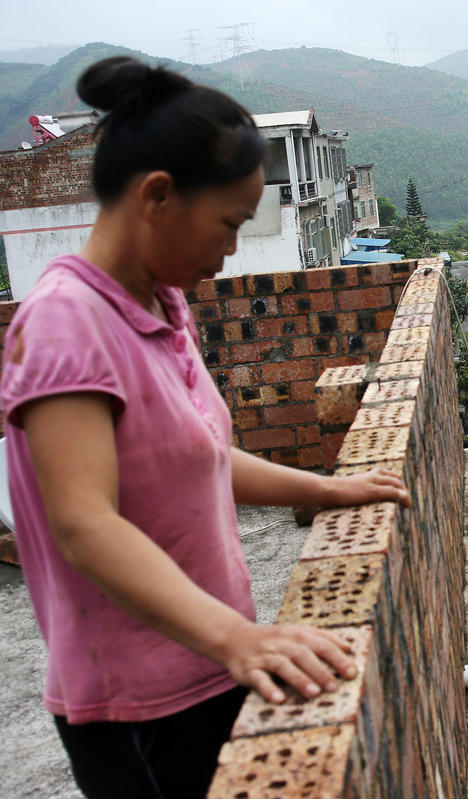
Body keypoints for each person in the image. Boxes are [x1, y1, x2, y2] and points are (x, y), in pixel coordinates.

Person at [1, 56, 411, 799]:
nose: (230, 250)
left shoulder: (161, 303)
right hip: (138, 707)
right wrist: (238, 637)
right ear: (157, 197)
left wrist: (330, 487)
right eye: (227, 224)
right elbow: (83, 524)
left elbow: (203, 457)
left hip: (207, 663)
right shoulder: (65, 321)